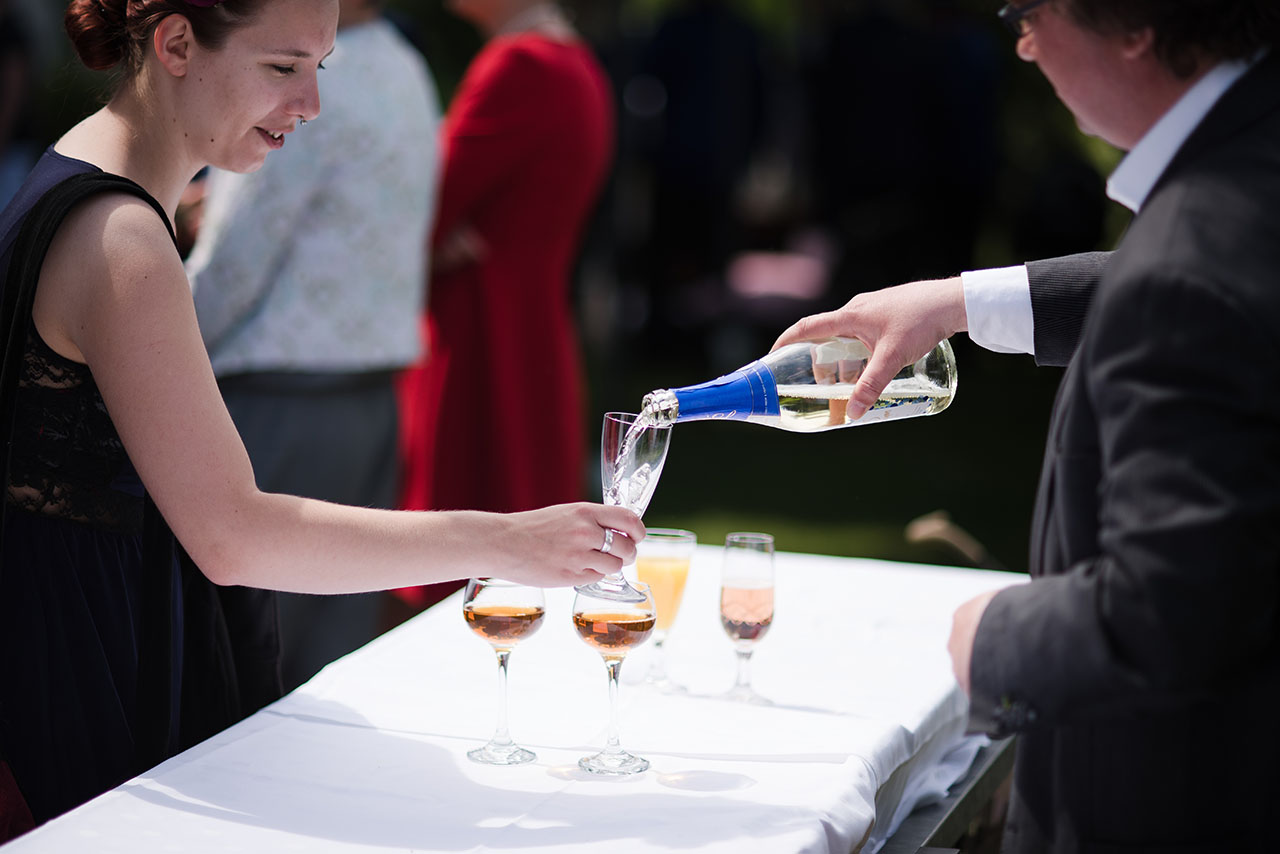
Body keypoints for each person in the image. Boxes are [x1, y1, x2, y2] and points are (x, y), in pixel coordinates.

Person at [0, 0, 640, 836]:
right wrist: (509, 542)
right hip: (86, 695)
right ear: (178, 44)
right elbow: (234, 535)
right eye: (282, 67)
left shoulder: (84, 179)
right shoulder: (122, 236)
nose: (311, 105)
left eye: (320, 68)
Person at [775, 1, 1280, 850]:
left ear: (1135, 25)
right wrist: (962, 302)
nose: (1022, 42)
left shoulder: (1192, 260)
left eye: (1028, 11)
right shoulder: (1252, 154)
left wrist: (995, 644)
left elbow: (1170, 614)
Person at [184, 0, 442, 691]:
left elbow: (234, 263)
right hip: (370, 406)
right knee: (328, 669)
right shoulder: (407, 69)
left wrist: (149, 350)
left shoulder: (288, 75)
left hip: (277, 404)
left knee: (234, 665)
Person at [393, 0, 615, 611]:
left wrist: (425, 237)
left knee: (457, 562)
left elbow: (421, 211)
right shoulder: (574, 62)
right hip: (531, 327)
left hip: (482, 339)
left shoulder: (520, 64)